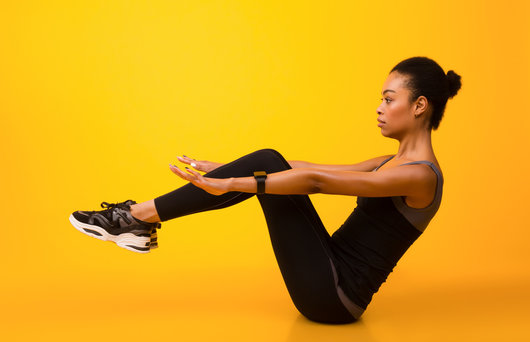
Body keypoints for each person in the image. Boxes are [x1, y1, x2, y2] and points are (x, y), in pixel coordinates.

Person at [69, 56, 462, 324]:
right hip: (327, 270)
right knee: (271, 159)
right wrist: (228, 168)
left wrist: (233, 183)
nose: (379, 107)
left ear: (419, 106)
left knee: (269, 166)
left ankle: (137, 218)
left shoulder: (421, 176)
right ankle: (138, 219)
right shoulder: (386, 161)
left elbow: (318, 183)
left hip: (336, 298)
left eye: (389, 99)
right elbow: (308, 168)